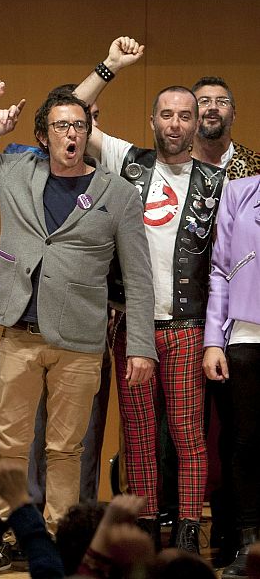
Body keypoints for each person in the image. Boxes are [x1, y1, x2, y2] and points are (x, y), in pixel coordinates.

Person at [0, 70, 156, 534]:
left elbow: (139, 278)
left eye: (79, 125)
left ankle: (59, 534)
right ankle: (1, 529)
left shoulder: (118, 194)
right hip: (18, 330)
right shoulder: (16, 170)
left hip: (80, 339)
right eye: (61, 126)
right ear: (43, 135)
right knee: (10, 444)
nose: (71, 134)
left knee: (65, 448)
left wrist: (141, 345)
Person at [74, 36, 224, 553]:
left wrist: (217, 336)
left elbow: (224, 265)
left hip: (186, 324)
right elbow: (70, 111)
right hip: (130, 322)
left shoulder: (216, 182)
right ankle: (144, 527)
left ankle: (186, 529)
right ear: (154, 120)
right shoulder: (126, 161)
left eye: (186, 115)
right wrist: (110, 65)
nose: (177, 123)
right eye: (167, 114)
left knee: (188, 434)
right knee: (137, 433)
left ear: (197, 122)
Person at [203, 174, 260, 578]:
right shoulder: (240, 192)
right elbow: (220, 269)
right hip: (245, 336)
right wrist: (213, 341)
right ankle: (249, 545)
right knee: (244, 444)